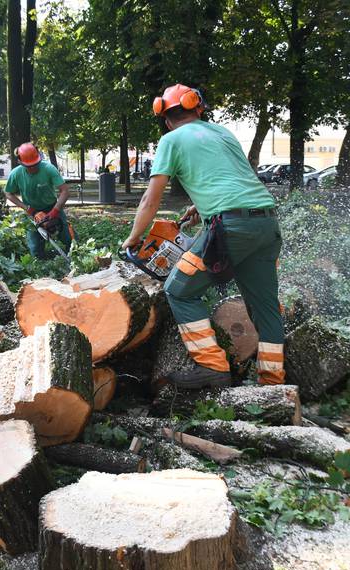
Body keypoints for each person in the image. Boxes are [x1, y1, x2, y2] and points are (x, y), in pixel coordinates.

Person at [121, 83, 285, 389]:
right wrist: (199, 205)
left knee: (179, 290)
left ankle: (211, 365)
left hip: (230, 229)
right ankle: (273, 383)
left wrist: (132, 238)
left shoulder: (171, 140)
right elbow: (235, 177)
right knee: (264, 305)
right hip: (266, 223)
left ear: (166, 119)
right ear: (198, 108)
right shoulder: (222, 133)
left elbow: (150, 200)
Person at [5, 142, 73, 258]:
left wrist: (55, 210)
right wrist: (27, 208)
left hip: (52, 206)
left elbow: (65, 191)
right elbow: (8, 193)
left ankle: (73, 254)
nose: (33, 168)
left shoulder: (48, 169)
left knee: (67, 238)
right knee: (35, 247)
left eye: (35, 164)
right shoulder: (15, 174)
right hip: (32, 210)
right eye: (29, 166)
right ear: (20, 162)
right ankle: (43, 264)